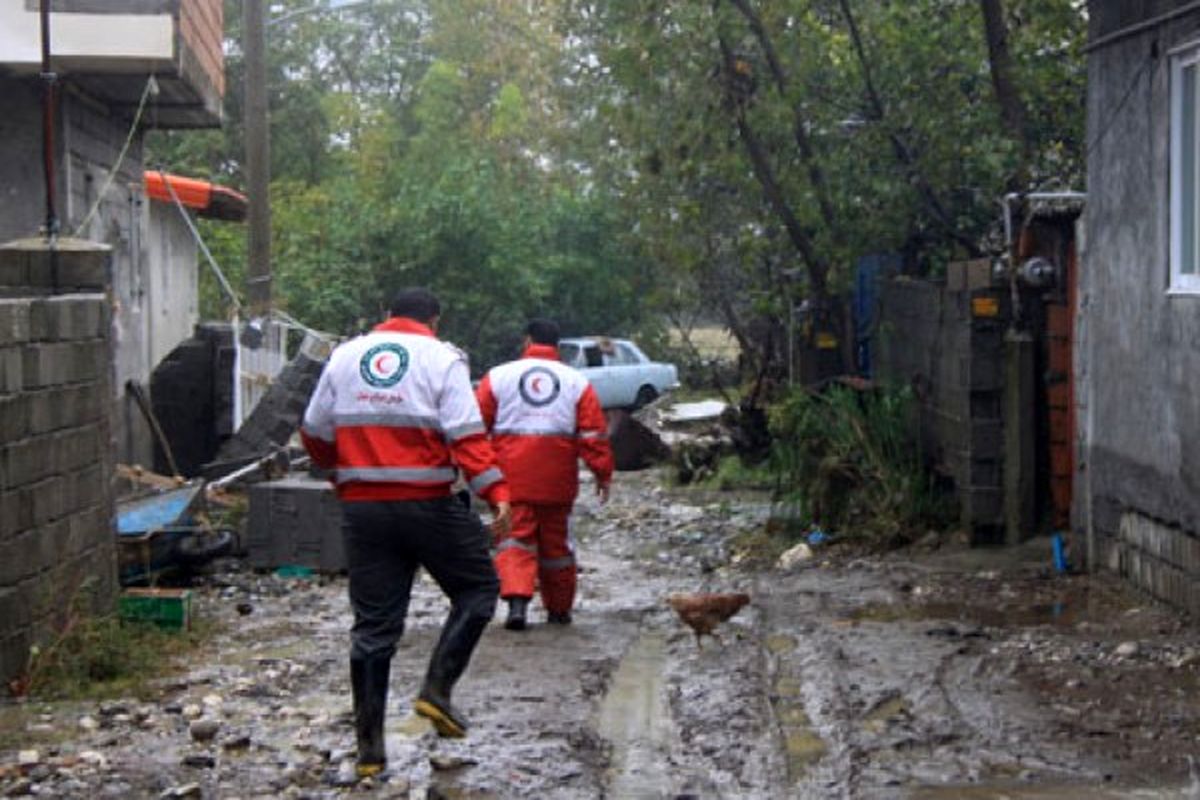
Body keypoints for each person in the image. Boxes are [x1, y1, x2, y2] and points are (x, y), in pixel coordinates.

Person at [300, 288, 511, 778]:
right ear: (435, 319)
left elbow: (313, 429)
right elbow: (465, 434)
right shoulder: (442, 358)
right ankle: (437, 690)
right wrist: (495, 491)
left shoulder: (345, 355)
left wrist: (339, 473)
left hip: (364, 511)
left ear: (385, 315)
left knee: (373, 628)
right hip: (428, 506)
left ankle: (370, 752)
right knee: (478, 588)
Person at [474, 318, 613, 630]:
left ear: (527, 342)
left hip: (511, 479)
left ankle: (517, 604)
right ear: (557, 345)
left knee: (514, 540)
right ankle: (559, 610)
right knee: (557, 547)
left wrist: (476, 472)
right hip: (557, 480)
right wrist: (603, 473)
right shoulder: (576, 382)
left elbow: (474, 427)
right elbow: (593, 435)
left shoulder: (497, 377)